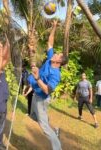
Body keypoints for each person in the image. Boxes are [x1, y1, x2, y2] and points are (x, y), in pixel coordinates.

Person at [27, 20, 68, 150]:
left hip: (42, 99)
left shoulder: (56, 75)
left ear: (59, 61)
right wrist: (54, 27)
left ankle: (57, 147)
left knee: (44, 128)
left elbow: (47, 90)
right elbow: (50, 42)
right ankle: (54, 129)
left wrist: (38, 78)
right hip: (35, 95)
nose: (54, 53)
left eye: (57, 55)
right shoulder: (51, 60)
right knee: (34, 116)